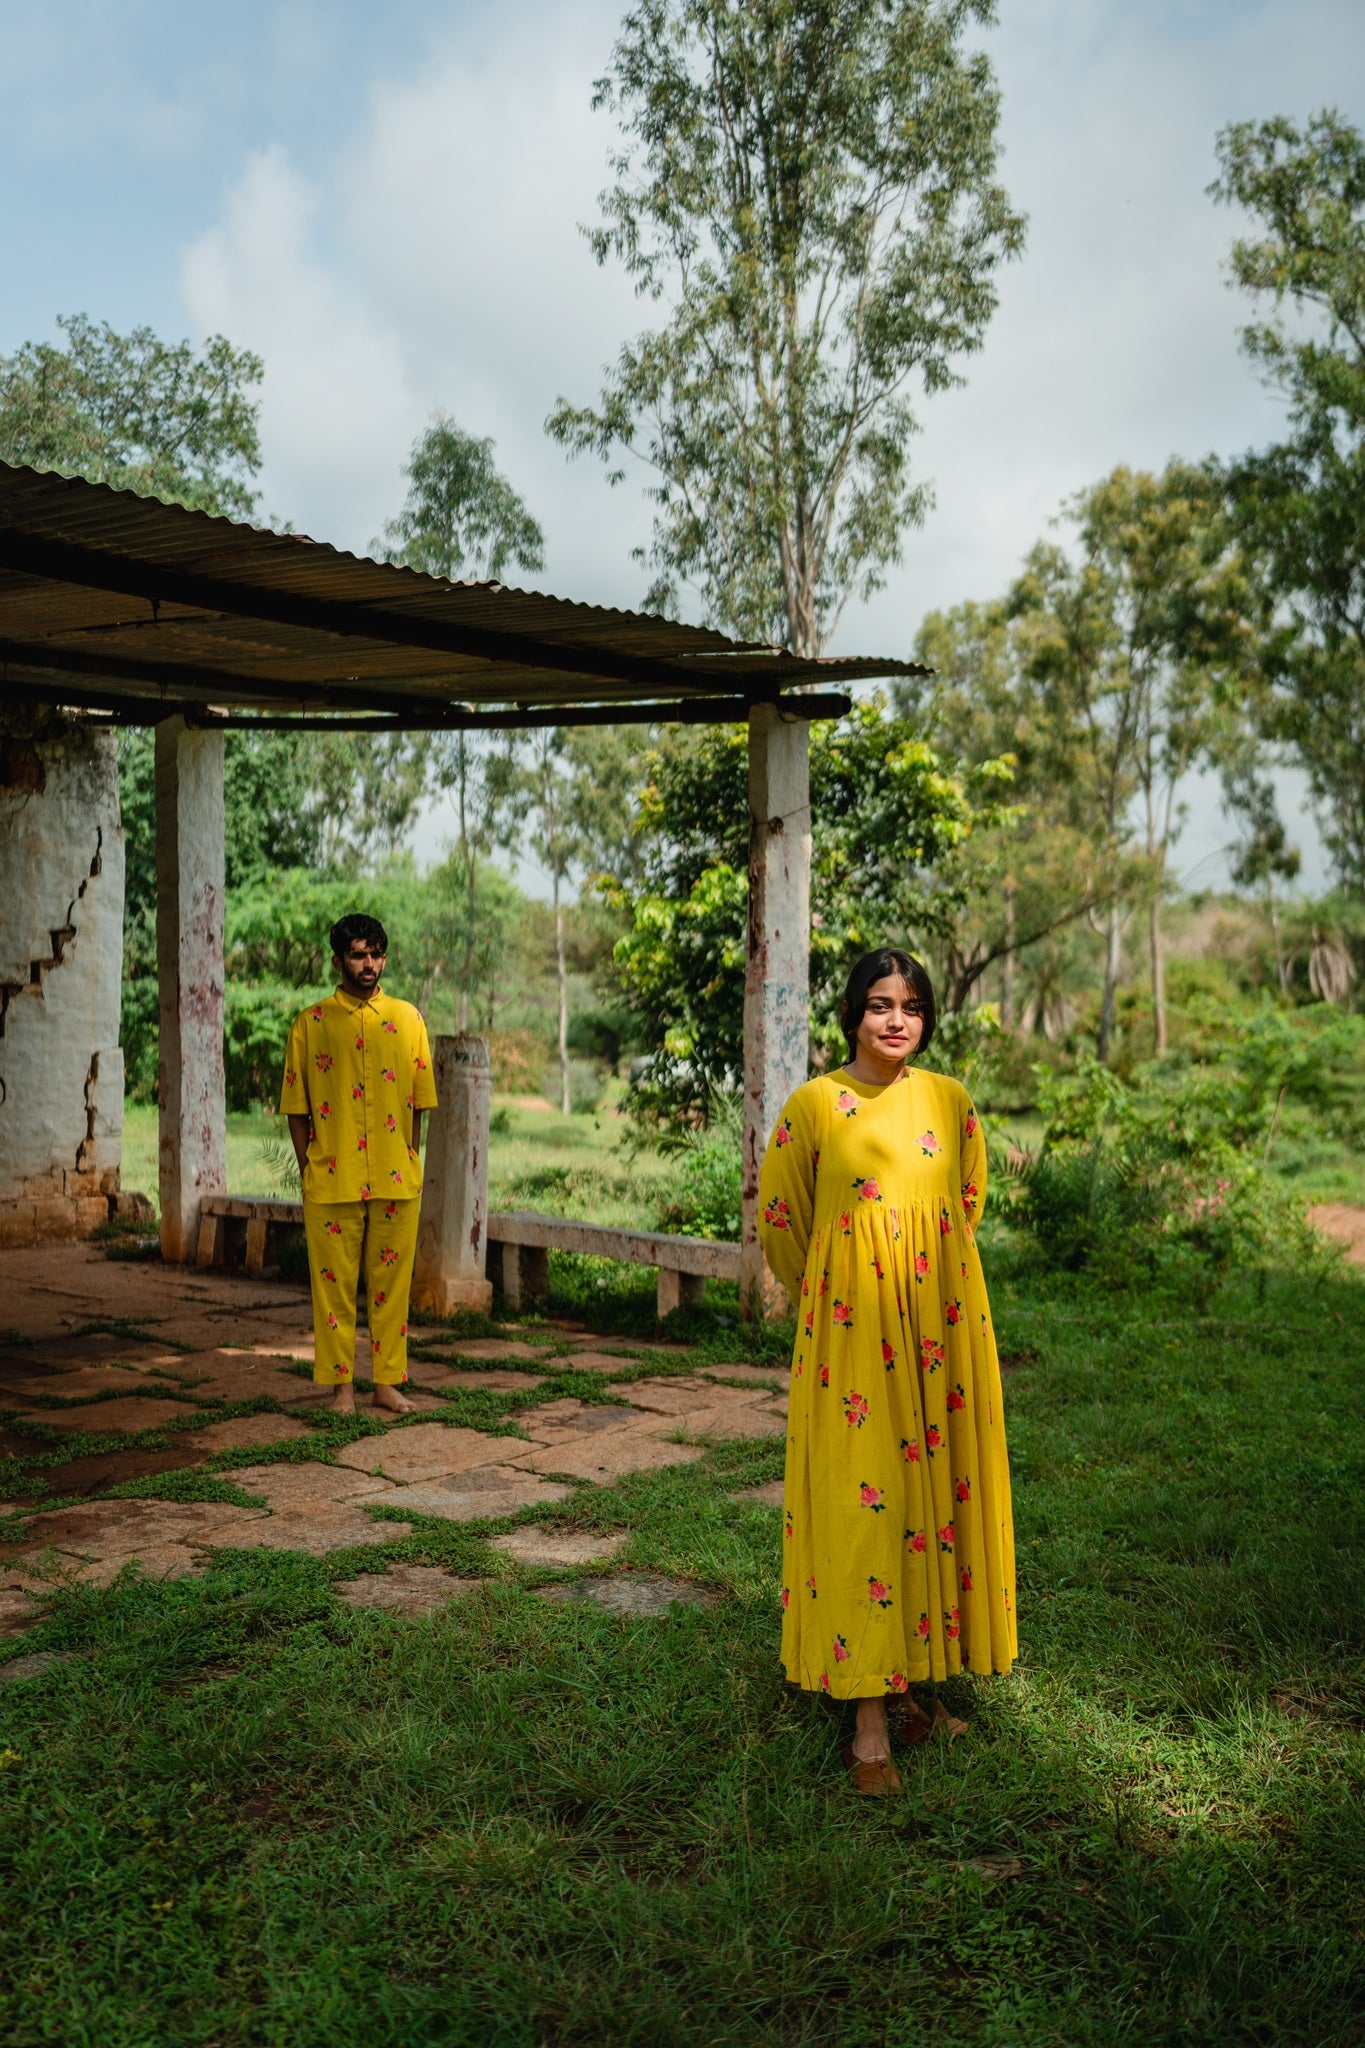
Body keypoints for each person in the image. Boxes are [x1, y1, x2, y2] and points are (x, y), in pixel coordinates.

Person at [757, 947, 1016, 1794]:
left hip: (941, 1330)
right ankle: (868, 1717)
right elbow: (782, 1219)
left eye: (908, 1005)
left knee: (935, 1496)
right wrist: (839, 1289)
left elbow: (961, 1204)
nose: (894, 1019)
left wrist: (920, 1277)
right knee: (862, 1504)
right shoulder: (813, 1105)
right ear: (852, 1015)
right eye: (877, 1004)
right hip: (851, 1337)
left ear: (926, 1015)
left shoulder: (951, 1101)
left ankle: (924, 1679)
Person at [280, 914, 438, 1414]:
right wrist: (310, 1165)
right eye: (357, 954)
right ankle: (341, 1390)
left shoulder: (409, 1019)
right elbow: (297, 1107)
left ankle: (387, 1383)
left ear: (384, 959)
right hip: (332, 1177)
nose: (367, 964)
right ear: (338, 960)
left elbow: (419, 1100)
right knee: (334, 1292)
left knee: (392, 1289)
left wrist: (409, 1155)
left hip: (396, 1176)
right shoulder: (311, 1024)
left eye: (374, 954)